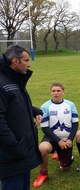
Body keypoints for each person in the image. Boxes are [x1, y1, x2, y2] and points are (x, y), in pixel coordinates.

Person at [0, 45, 43, 190]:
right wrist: (14, 145)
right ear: (15, 61)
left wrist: (34, 111)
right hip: (11, 153)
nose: (29, 64)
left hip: (23, 149)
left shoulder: (15, 79)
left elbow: (16, 104)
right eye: (26, 60)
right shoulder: (2, 82)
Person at [32, 82, 79, 188]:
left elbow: (75, 123)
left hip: (66, 138)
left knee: (64, 168)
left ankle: (62, 156)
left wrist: (70, 139)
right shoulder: (45, 106)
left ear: (63, 92)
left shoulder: (70, 104)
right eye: (53, 91)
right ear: (50, 92)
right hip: (52, 137)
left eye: (58, 91)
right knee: (43, 148)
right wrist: (58, 141)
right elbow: (45, 128)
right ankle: (43, 173)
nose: (56, 93)